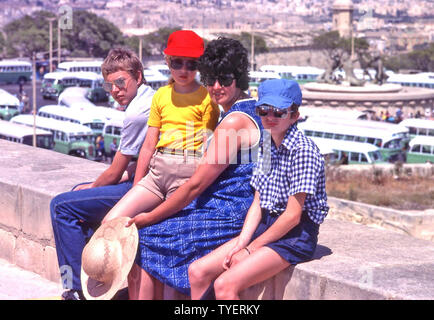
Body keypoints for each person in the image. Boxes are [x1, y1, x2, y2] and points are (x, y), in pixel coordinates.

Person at [105, 37, 263, 300]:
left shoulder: (233, 121)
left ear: (239, 78)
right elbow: (265, 172)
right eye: (210, 79)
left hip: (228, 211)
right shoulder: (258, 110)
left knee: (142, 240)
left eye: (224, 79)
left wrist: (151, 216)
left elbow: (195, 185)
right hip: (243, 208)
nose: (215, 87)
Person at [188, 79, 329, 300]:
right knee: (197, 272)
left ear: (294, 116)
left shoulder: (303, 152)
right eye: (264, 110)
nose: (270, 117)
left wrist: (251, 249)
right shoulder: (266, 143)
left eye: (279, 112)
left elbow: (292, 216)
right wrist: (242, 244)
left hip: (295, 235)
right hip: (266, 224)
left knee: (225, 285)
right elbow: (258, 201)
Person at [50, 48, 155, 300]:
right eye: (110, 87)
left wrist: (92, 187)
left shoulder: (135, 113)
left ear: (138, 76)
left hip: (144, 189)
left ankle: (74, 287)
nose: (116, 91)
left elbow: (116, 170)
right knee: (79, 195)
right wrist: (93, 186)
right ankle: (94, 277)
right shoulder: (150, 98)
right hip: (149, 181)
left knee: (60, 207)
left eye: (121, 83)